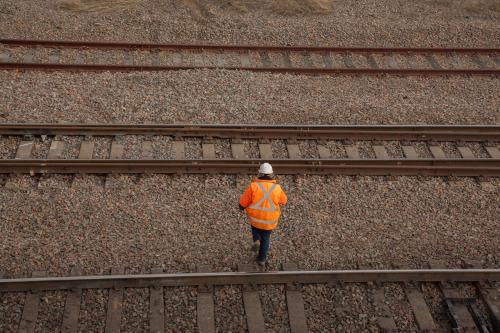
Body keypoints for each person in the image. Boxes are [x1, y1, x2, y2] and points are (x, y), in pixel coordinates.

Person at [239, 162, 288, 266]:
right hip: (270, 220)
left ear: (260, 174)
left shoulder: (253, 186)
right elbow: (284, 201)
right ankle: (261, 259)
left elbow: (243, 202)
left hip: (255, 218)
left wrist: (241, 207)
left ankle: (256, 240)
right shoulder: (277, 188)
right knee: (266, 238)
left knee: (255, 228)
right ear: (271, 174)